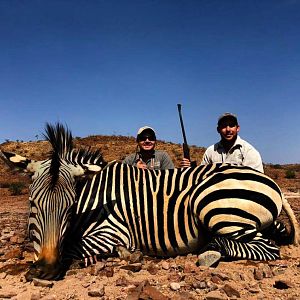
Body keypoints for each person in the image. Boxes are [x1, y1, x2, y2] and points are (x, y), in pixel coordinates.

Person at [180, 113, 264, 172]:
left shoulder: (249, 151)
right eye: (224, 126)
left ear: (237, 128)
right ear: (218, 130)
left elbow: (256, 183)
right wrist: (189, 169)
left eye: (231, 125)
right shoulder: (210, 151)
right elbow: (202, 176)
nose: (228, 130)